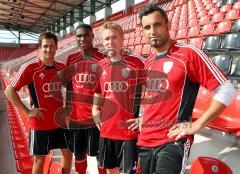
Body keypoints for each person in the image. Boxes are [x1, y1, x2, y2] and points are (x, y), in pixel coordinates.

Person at [137, 4, 236, 174]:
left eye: (157, 24)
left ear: (168, 26)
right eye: (147, 27)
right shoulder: (149, 61)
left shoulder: (189, 54)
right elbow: (152, 97)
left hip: (173, 140)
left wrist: (196, 125)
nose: (152, 31)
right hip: (145, 139)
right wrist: (142, 118)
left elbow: (226, 89)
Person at [4, 32, 72, 174]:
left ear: (56, 47)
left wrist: (67, 108)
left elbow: (71, 88)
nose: (48, 49)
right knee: (40, 159)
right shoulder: (30, 68)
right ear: (40, 48)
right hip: (40, 123)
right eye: (45, 46)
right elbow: (9, 91)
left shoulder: (61, 67)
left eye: (51, 46)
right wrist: (27, 111)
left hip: (59, 121)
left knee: (67, 153)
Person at [92, 21, 144, 174]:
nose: (110, 42)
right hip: (107, 130)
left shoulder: (136, 63)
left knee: (129, 171)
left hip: (128, 131)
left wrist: (143, 116)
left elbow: (150, 91)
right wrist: (95, 109)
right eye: (107, 38)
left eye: (114, 37)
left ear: (122, 39)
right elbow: (98, 91)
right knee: (110, 169)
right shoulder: (100, 65)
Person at [64, 24, 106, 174]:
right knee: (79, 154)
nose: (82, 39)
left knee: (101, 156)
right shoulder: (71, 59)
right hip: (77, 118)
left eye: (86, 35)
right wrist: (67, 108)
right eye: (79, 36)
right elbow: (69, 85)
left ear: (92, 36)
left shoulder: (103, 58)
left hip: (98, 118)